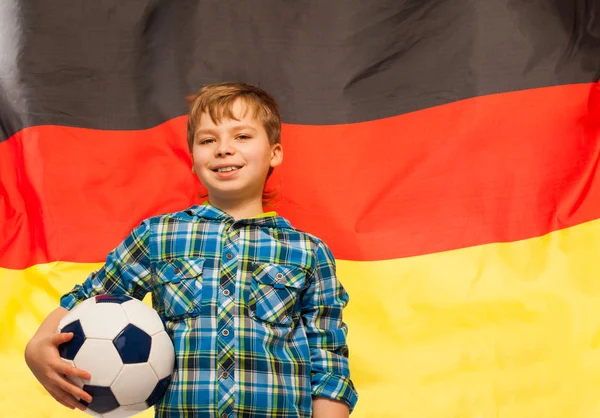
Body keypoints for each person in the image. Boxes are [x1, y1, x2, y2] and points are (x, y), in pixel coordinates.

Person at [24, 82, 358, 417]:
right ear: (193, 160)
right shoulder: (158, 236)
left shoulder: (309, 251)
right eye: (208, 140)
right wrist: (37, 346)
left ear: (275, 152)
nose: (223, 149)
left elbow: (327, 359)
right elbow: (93, 296)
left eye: (241, 136)